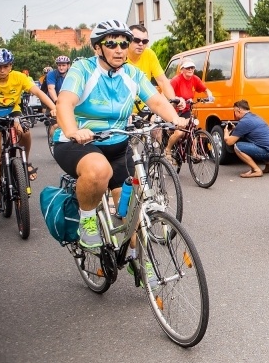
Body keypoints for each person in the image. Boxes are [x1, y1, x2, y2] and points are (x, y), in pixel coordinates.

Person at [53, 20, 188, 257]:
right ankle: (87, 221)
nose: (119, 49)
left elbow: (155, 101)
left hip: (117, 144)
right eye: (111, 43)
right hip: (79, 143)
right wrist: (74, 130)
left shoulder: (132, 74)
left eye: (124, 43)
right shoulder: (83, 69)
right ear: (98, 48)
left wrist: (175, 119)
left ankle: (137, 260)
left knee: (132, 212)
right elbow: (65, 102)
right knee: (99, 171)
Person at [0, 48, 56, 217]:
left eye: (6, 66)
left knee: (25, 132)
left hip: (12, 112)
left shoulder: (18, 77)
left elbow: (38, 92)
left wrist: (54, 108)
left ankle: (25, 163)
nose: (2, 70)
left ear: (11, 66)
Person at [165, 59, 214, 158]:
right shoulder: (176, 80)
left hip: (186, 109)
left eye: (192, 67)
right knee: (179, 133)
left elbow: (205, 89)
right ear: (182, 69)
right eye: (188, 67)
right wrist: (177, 100)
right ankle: (168, 150)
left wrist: (210, 95)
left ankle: (194, 153)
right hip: (174, 111)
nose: (190, 69)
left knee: (193, 130)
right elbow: (167, 94)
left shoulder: (195, 79)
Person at [223, 100, 269, 178]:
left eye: (235, 112)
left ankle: (256, 170)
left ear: (239, 110)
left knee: (237, 146)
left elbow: (229, 142)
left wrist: (226, 132)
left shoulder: (244, 122)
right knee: (247, 140)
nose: (234, 114)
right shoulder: (254, 117)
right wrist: (236, 129)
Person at [126, 24, 178, 109]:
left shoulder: (149, 54)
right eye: (136, 40)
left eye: (144, 41)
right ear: (128, 40)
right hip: (123, 111)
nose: (141, 44)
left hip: (143, 109)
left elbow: (162, 81)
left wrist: (173, 100)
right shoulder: (119, 56)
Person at [44, 55, 71, 139]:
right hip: (53, 101)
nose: (61, 67)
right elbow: (51, 88)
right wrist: (56, 101)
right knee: (56, 125)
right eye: (59, 65)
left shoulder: (72, 74)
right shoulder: (52, 74)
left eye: (63, 65)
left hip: (68, 101)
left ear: (68, 65)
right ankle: (53, 142)